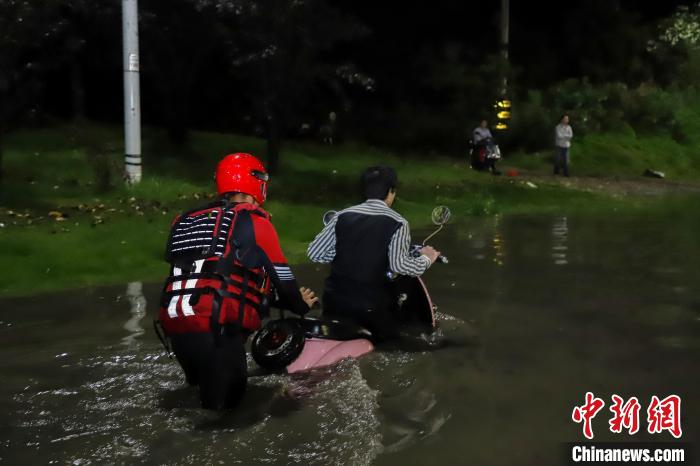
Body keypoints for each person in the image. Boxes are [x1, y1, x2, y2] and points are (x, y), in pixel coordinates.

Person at [157, 153, 318, 410]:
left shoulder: (187, 220)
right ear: (255, 182)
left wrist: (269, 297)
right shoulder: (254, 221)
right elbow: (284, 279)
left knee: (198, 403)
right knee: (228, 418)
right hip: (217, 335)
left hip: (178, 332)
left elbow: (212, 277)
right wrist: (300, 305)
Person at [307, 166, 440, 342]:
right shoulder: (398, 222)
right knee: (401, 344)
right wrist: (426, 258)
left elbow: (315, 253)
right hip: (371, 309)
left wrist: (349, 254)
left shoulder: (342, 215)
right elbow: (399, 265)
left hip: (334, 303)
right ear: (392, 192)